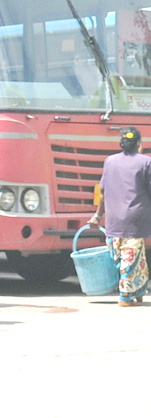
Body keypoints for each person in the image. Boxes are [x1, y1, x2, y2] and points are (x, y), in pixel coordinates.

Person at [88, 127, 151, 306]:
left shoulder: (109, 161)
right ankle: (125, 295)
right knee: (131, 257)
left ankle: (137, 292)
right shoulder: (146, 162)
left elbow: (102, 192)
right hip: (136, 220)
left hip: (113, 219)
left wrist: (97, 216)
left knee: (129, 256)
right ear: (139, 143)